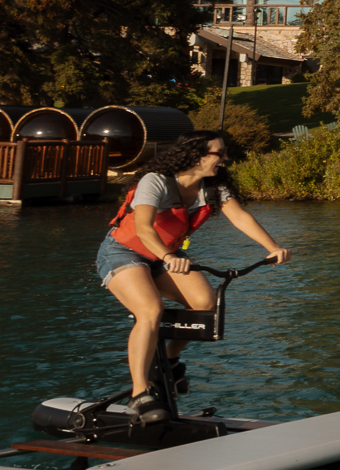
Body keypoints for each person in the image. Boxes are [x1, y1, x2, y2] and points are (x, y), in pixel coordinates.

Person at [96, 132, 292, 425]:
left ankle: (169, 360)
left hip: (165, 257)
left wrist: (273, 247)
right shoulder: (156, 181)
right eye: (219, 153)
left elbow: (240, 217)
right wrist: (167, 257)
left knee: (205, 303)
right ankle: (139, 394)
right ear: (196, 156)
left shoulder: (213, 187)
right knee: (150, 309)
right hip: (123, 252)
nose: (225, 159)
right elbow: (144, 228)